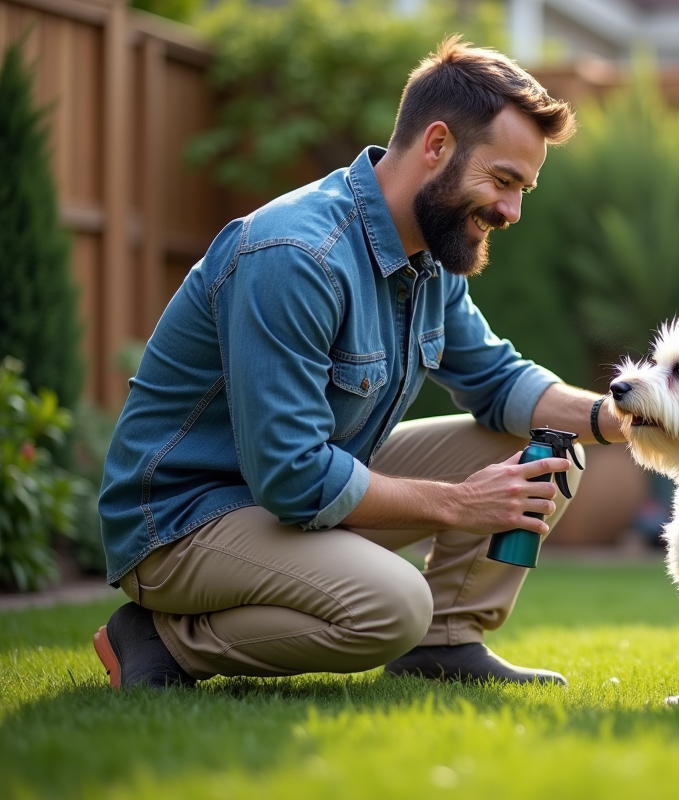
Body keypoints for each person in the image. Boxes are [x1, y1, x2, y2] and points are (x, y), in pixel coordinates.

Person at [92, 35, 624, 690]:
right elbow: (293, 475)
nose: (512, 211)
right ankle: (162, 641)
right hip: (183, 522)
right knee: (391, 605)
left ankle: (447, 644)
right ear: (436, 147)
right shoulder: (295, 255)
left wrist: (627, 417)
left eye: (524, 190)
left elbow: (499, 380)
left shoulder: (429, 253)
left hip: (285, 505)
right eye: (504, 181)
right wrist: (458, 505)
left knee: (548, 451)